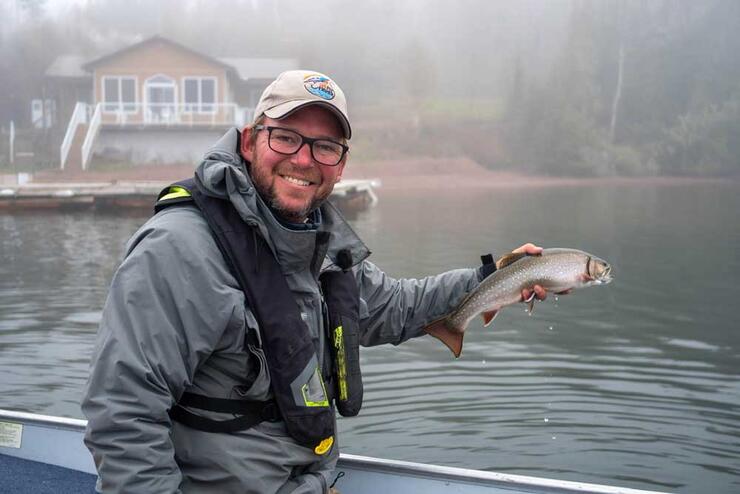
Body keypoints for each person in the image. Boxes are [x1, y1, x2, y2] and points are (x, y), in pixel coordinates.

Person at [82, 69, 550, 494]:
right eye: (286, 137)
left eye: (325, 147)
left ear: (341, 164)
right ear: (249, 142)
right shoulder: (178, 251)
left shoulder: (318, 246)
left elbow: (397, 306)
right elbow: (123, 417)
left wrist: (493, 277)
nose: (305, 160)